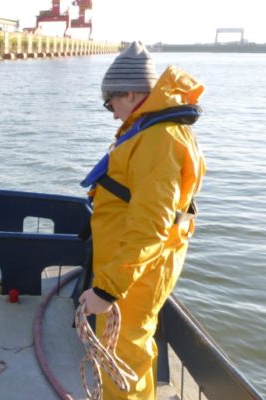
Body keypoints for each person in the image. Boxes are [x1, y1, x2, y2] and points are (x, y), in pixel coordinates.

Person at [78, 41, 206, 399]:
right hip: (131, 266)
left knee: (121, 353)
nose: (112, 113)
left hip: (134, 272)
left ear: (132, 94)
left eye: (111, 103)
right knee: (133, 348)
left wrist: (107, 289)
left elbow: (151, 225)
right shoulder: (154, 130)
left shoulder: (157, 139)